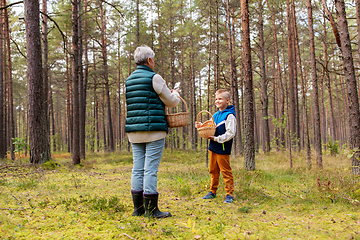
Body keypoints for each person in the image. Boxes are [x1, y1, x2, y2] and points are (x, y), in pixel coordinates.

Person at [125, 45, 180, 218]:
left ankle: (138, 209)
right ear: (149, 60)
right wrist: (176, 94)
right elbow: (171, 101)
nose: (154, 62)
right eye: (153, 59)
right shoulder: (154, 77)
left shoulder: (129, 80)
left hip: (134, 131)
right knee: (150, 170)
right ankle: (151, 210)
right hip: (154, 130)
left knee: (137, 169)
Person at [195, 89, 236, 203]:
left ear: (227, 100)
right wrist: (200, 125)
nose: (217, 101)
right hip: (213, 147)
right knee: (213, 170)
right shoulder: (215, 115)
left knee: (225, 171)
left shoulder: (230, 116)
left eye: (220, 99)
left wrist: (218, 139)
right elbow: (209, 127)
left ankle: (229, 194)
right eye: (216, 99)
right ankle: (212, 192)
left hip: (223, 148)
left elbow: (231, 133)